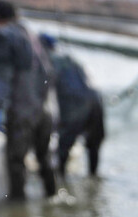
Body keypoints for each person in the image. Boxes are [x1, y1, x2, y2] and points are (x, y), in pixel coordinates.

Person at [0, 0, 56, 201]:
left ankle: (18, 209)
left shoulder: (1, 35)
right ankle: (52, 197)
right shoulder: (31, 35)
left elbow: (3, 76)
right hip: (43, 110)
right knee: (44, 158)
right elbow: (49, 73)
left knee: (15, 161)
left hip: (22, 110)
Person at [39, 34, 106, 178]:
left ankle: (60, 182)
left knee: (64, 146)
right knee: (93, 146)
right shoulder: (70, 59)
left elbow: (43, 90)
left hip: (76, 105)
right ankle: (93, 177)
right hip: (96, 101)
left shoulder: (46, 61)